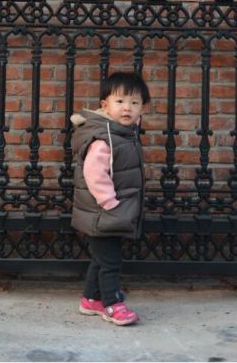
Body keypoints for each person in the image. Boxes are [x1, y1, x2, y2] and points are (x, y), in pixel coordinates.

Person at [69, 71, 149, 326]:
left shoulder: (123, 134)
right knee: (111, 261)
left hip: (109, 213)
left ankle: (91, 300)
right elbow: (94, 174)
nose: (128, 108)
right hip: (104, 211)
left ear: (142, 109)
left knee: (102, 259)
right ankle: (112, 304)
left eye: (134, 103)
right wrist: (110, 203)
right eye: (120, 102)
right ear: (105, 105)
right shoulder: (104, 139)